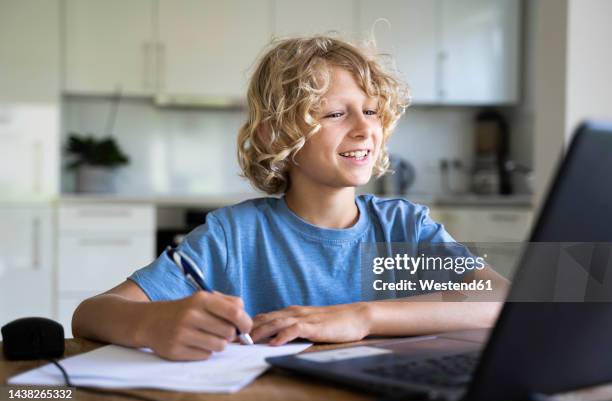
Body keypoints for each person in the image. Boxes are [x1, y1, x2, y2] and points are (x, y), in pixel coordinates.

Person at [72, 36, 507, 361]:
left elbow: (499, 297)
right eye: (336, 113)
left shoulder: (405, 228)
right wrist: (152, 324)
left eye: (371, 110)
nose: (363, 128)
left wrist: (360, 317)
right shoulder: (234, 236)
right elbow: (91, 315)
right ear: (277, 133)